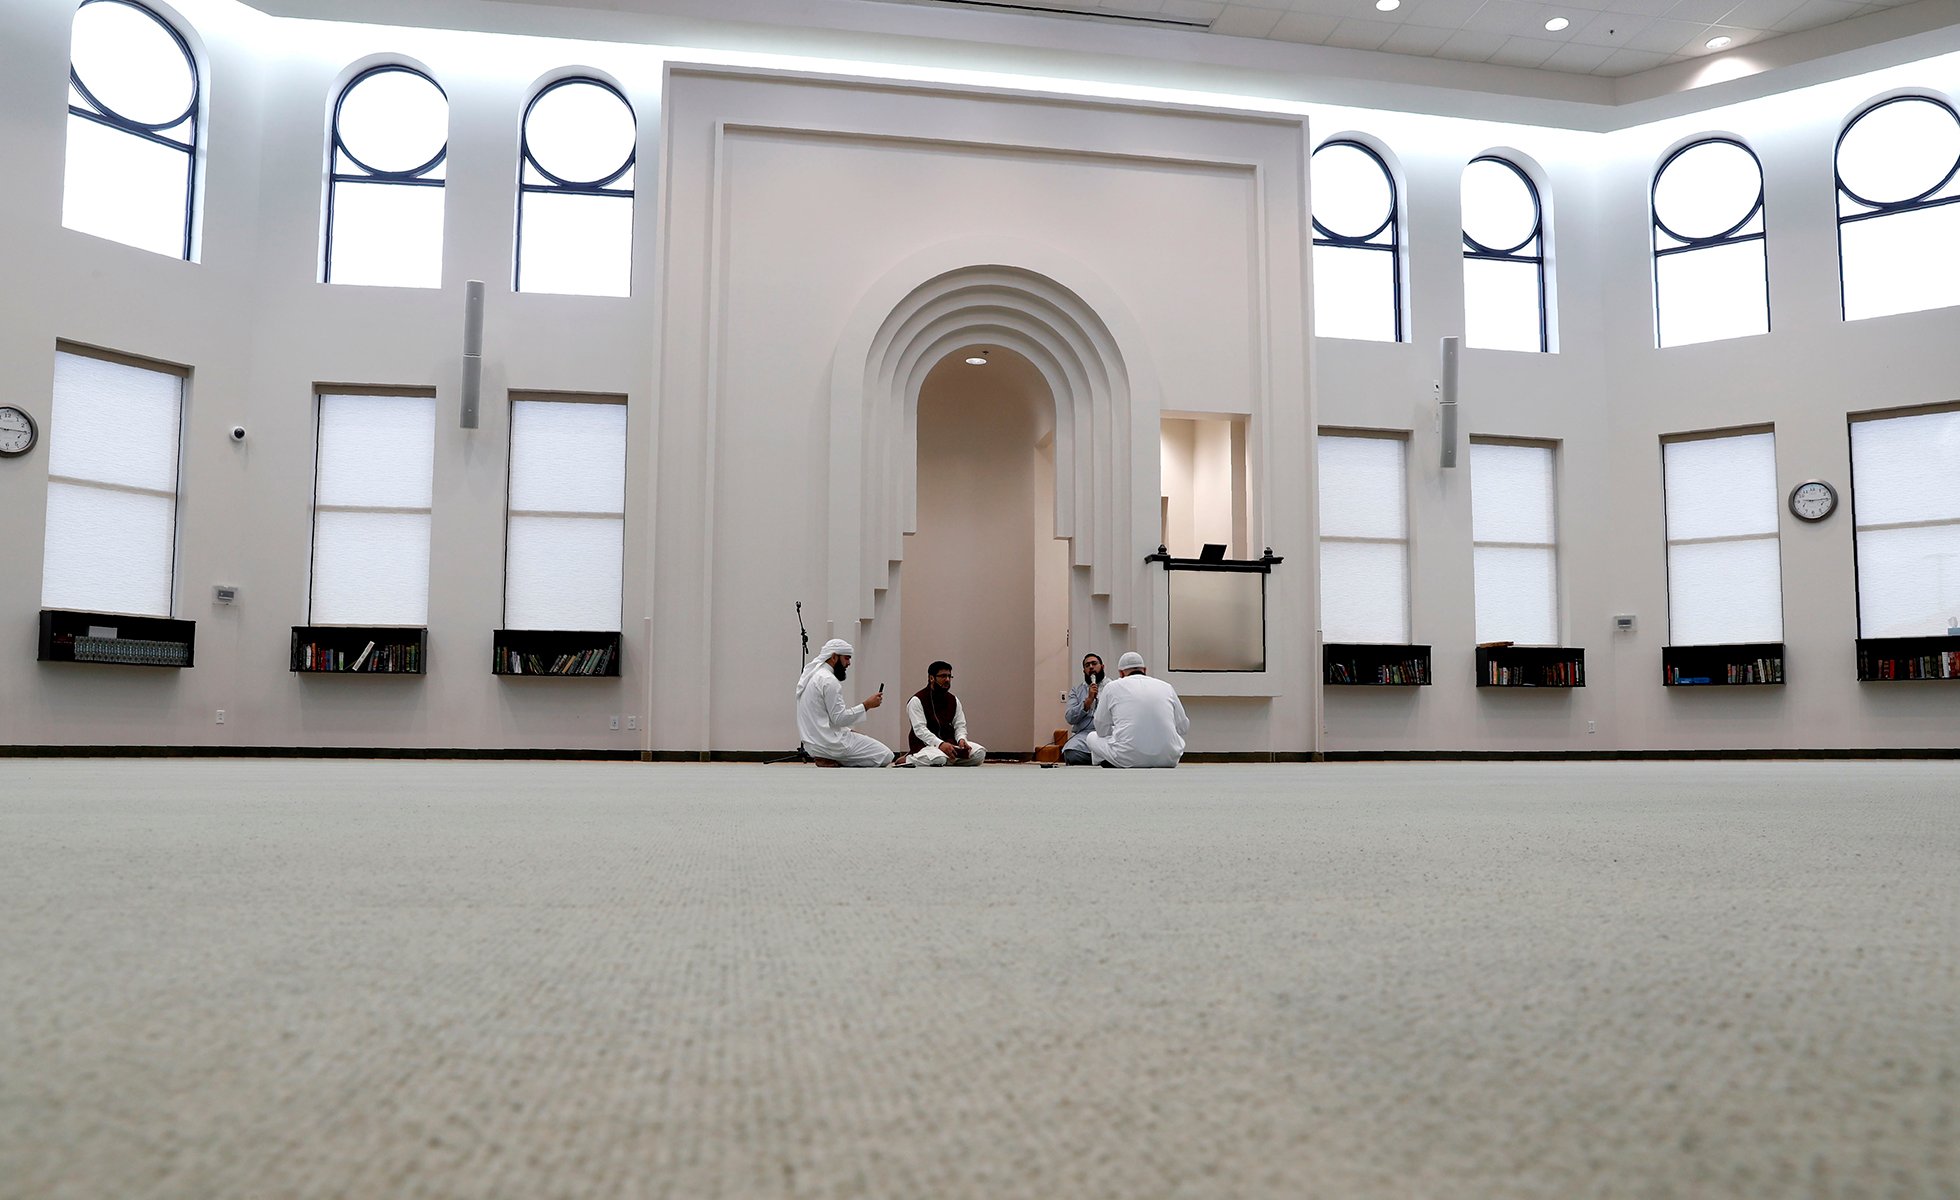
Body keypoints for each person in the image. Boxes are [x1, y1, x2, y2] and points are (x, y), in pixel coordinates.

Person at [795, 638, 895, 767]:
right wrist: (866, 705)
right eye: (847, 658)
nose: (849, 663)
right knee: (885, 755)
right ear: (834, 657)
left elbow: (825, 717)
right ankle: (832, 757)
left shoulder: (813, 676)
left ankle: (829, 758)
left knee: (861, 742)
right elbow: (839, 719)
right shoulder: (829, 680)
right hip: (830, 743)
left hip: (814, 745)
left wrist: (847, 731)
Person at [1086, 651, 1189, 768]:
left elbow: (1101, 729)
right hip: (1168, 758)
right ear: (1144, 670)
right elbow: (1183, 728)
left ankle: (1107, 761)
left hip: (1127, 758)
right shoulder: (1166, 686)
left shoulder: (1111, 687)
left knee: (1091, 737)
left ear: (1121, 673)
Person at [902, 661, 986, 766]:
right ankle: (909, 759)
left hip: (950, 744)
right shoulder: (917, 700)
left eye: (949, 676)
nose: (947, 679)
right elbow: (920, 730)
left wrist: (961, 739)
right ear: (931, 678)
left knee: (979, 754)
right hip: (926, 746)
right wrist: (940, 744)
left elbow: (960, 725)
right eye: (943, 676)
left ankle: (948, 759)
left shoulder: (953, 700)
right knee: (939, 759)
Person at [1060, 653, 1105, 765]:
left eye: (1094, 663)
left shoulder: (1113, 687)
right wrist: (1087, 702)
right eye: (1087, 665)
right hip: (1085, 735)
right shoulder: (1077, 690)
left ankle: (1102, 758)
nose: (1091, 667)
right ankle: (1103, 760)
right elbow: (1070, 718)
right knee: (1070, 753)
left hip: (1107, 734)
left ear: (1102, 667)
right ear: (1084, 671)